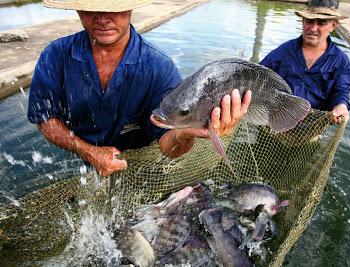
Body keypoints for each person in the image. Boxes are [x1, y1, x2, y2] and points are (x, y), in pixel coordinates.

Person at [27, 0, 251, 176]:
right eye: (90, 7)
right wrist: (89, 151)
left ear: (130, 7)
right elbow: (45, 119)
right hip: (82, 157)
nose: (103, 19)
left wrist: (184, 133)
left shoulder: (159, 67)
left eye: (114, 7)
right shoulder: (55, 55)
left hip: (143, 163)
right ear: (77, 9)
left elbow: (169, 147)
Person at [260, 0, 350, 124]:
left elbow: (341, 91)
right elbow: (259, 75)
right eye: (309, 21)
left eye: (321, 23)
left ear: (334, 25)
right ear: (303, 21)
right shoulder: (283, 51)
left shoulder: (341, 61)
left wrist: (341, 105)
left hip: (311, 129)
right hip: (275, 125)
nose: (313, 28)